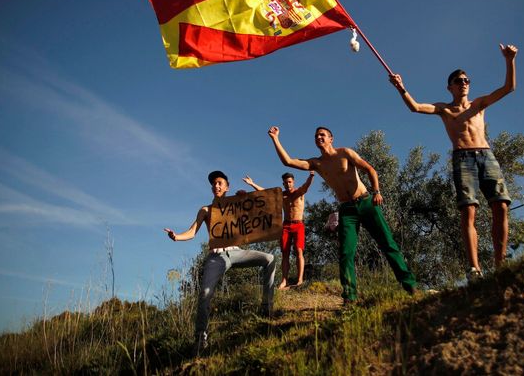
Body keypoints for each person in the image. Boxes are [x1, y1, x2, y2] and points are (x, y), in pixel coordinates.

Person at [388, 43, 518, 281]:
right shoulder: (444, 109)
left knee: (500, 206)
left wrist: (509, 60)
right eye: (459, 81)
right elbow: (415, 107)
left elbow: (508, 88)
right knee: (468, 211)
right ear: (450, 87)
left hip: (486, 155)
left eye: (467, 80)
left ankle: (501, 267)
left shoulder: (479, 104)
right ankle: (474, 269)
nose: (464, 83)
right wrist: (401, 88)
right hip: (463, 158)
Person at [267, 125, 417, 303]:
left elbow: (370, 170)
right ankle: (350, 296)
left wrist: (377, 192)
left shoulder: (345, 153)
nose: (319, 138)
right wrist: (275, 139)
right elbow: (288, 162)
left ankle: (410, 285)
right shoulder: (317, 163)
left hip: (366, 202)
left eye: (322, 135)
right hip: (347, 209)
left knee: (387, 243)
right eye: (316, 136)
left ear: (331, 139)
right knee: (346, 251)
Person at [163, 170, 276, 354]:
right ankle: (201, 339)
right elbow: (192, 232)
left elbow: (262, 206)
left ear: (227, 187)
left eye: (220, 183)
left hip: (236, 252)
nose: (216, 186)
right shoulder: (206, 210)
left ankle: (267, 307)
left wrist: (246, 198)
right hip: (216, 256)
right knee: (205, 295)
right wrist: (176, 236)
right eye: (213, 183)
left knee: (269, 259)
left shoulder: (236, 204)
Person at [243, 171, 315, 289]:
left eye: (290, 182)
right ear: (283, 183)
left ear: (293, 182)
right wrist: (252, 183)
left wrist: (311, 176)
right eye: (286, 182)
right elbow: (266, 193)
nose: (288, 184)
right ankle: (284, 281)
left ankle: (300, 279)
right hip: (286, 225)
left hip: (298, 225)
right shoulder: (282, 195)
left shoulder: (299, 192)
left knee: (298, 251)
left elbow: (307, 185)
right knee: (285, 252)